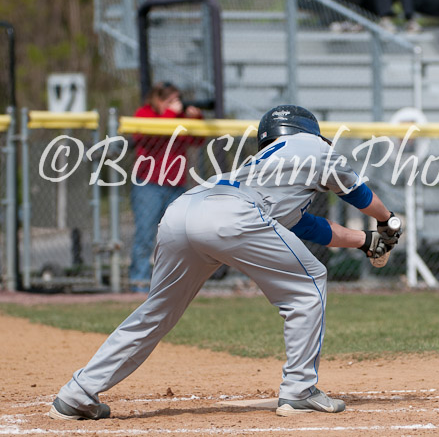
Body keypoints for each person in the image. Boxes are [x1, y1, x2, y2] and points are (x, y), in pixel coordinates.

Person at [48, 105, 402, 420]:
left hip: (183, 211)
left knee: (156, 312)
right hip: (231, 216)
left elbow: (310, 227)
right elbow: (357, 193)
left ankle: (78, 393)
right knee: (308, 286)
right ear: (308, 131)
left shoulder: (264, 170)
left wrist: (364, 240)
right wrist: (386, 220)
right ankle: (299, 389)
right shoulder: (311, 146)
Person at [129, 82, 203, 293]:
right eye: (170, 100)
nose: (176, 104)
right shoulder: (144, 114)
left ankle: (173, 284)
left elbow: (197, 141)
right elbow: (150, 134)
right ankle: (139, 282)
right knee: (145, 235)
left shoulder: (179, 118)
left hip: (176, 185)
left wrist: (195, 118)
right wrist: (171, 113)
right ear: (157, 100)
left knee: (178, 236)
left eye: (177, 100)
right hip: (148, 184)